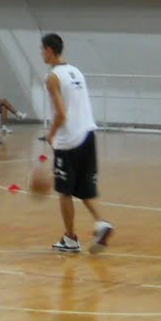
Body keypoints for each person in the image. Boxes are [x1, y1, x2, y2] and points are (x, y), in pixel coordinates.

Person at [40, 34, 112, 254]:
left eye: (42, 49)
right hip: (88, 134)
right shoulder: (76, 72)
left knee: (64, 191)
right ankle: (101, 223)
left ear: (50, 50)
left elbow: (61, 113)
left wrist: (51, 135)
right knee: (83, 189)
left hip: (69, 140)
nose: (41, 54)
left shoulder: (52, 77)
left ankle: (70, 239)